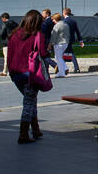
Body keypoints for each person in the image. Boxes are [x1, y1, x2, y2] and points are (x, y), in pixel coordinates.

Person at [6, 10, 47, 144]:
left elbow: (9, 56)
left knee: (30, 100)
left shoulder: (13, 35)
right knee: (29, 103)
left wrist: (11, 74)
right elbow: (43, 53)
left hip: (16, 74)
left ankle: (36, 129)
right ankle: (23, 134)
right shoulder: (37, 35)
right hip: (30, 74)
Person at [49, 12, 76, 76]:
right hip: (65, 43)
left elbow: (54, 36)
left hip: (59, 43)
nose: (52, 21)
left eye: (53, 19)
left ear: (56, 19)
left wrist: (50, 44)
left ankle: (61, 73)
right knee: (58, 57)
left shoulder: (57, 25)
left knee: (59, 58)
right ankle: (65, 68)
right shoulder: (65, 24)